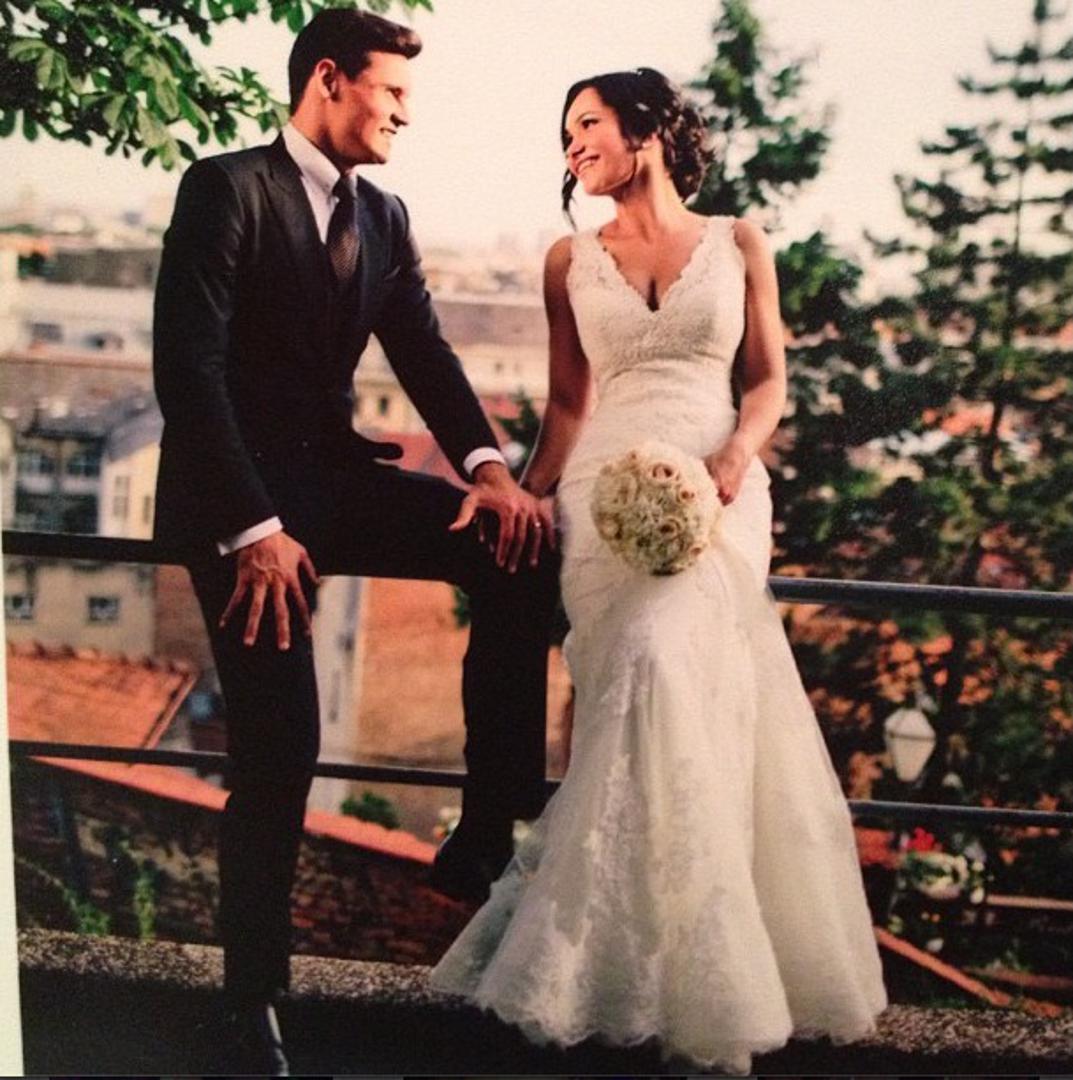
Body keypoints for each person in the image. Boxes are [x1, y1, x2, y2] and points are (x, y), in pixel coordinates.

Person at [429, 68, 887, 1074]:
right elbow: (567, 404)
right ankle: (627, 969)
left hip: (718, 489)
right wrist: (527, 493)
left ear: (644, 130)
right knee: (629, 686)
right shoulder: (566, 260)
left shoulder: (739, 243)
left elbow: (766, 381)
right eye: (564, 135)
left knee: (661, 665)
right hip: (602, 500)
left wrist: (732, 459)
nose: (571, 147)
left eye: (585, 124)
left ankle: (663, 972)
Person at [152, 8, 558, 1073]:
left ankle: (484, 826)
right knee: (282, 745)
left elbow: (423, 352)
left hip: (331, 485)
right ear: (329, 79)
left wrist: (489, 472)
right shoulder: (224, 188)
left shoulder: (384, 214)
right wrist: (254, 529)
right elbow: (188, 373)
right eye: (394, 93)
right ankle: (250, 1002)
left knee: (517, 549)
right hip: (235, 503)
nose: (405, 117)